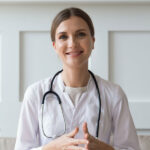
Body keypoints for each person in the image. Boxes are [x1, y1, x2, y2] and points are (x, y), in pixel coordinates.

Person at [15, 7, 140, 150]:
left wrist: (106, 149)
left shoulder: (114, 94)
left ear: (92, 42)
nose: (72, 43)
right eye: (63, 36)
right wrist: (49, 148)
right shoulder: (35, 93)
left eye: (80, 34)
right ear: (55, 46)